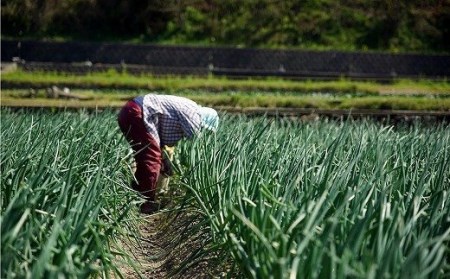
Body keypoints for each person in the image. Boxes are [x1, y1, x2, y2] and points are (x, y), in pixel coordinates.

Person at [118, 93, 219, 214]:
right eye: (205, 129)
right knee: (151, 158)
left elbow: (158, 140)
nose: (203, 132)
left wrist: (164, 160)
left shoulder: (189, 109)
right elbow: (197, 142)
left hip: (131, 110)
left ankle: (137, 191)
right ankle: (147, 202)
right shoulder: (195, 116)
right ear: (205, 121)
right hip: (138, 112)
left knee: (144, 155)